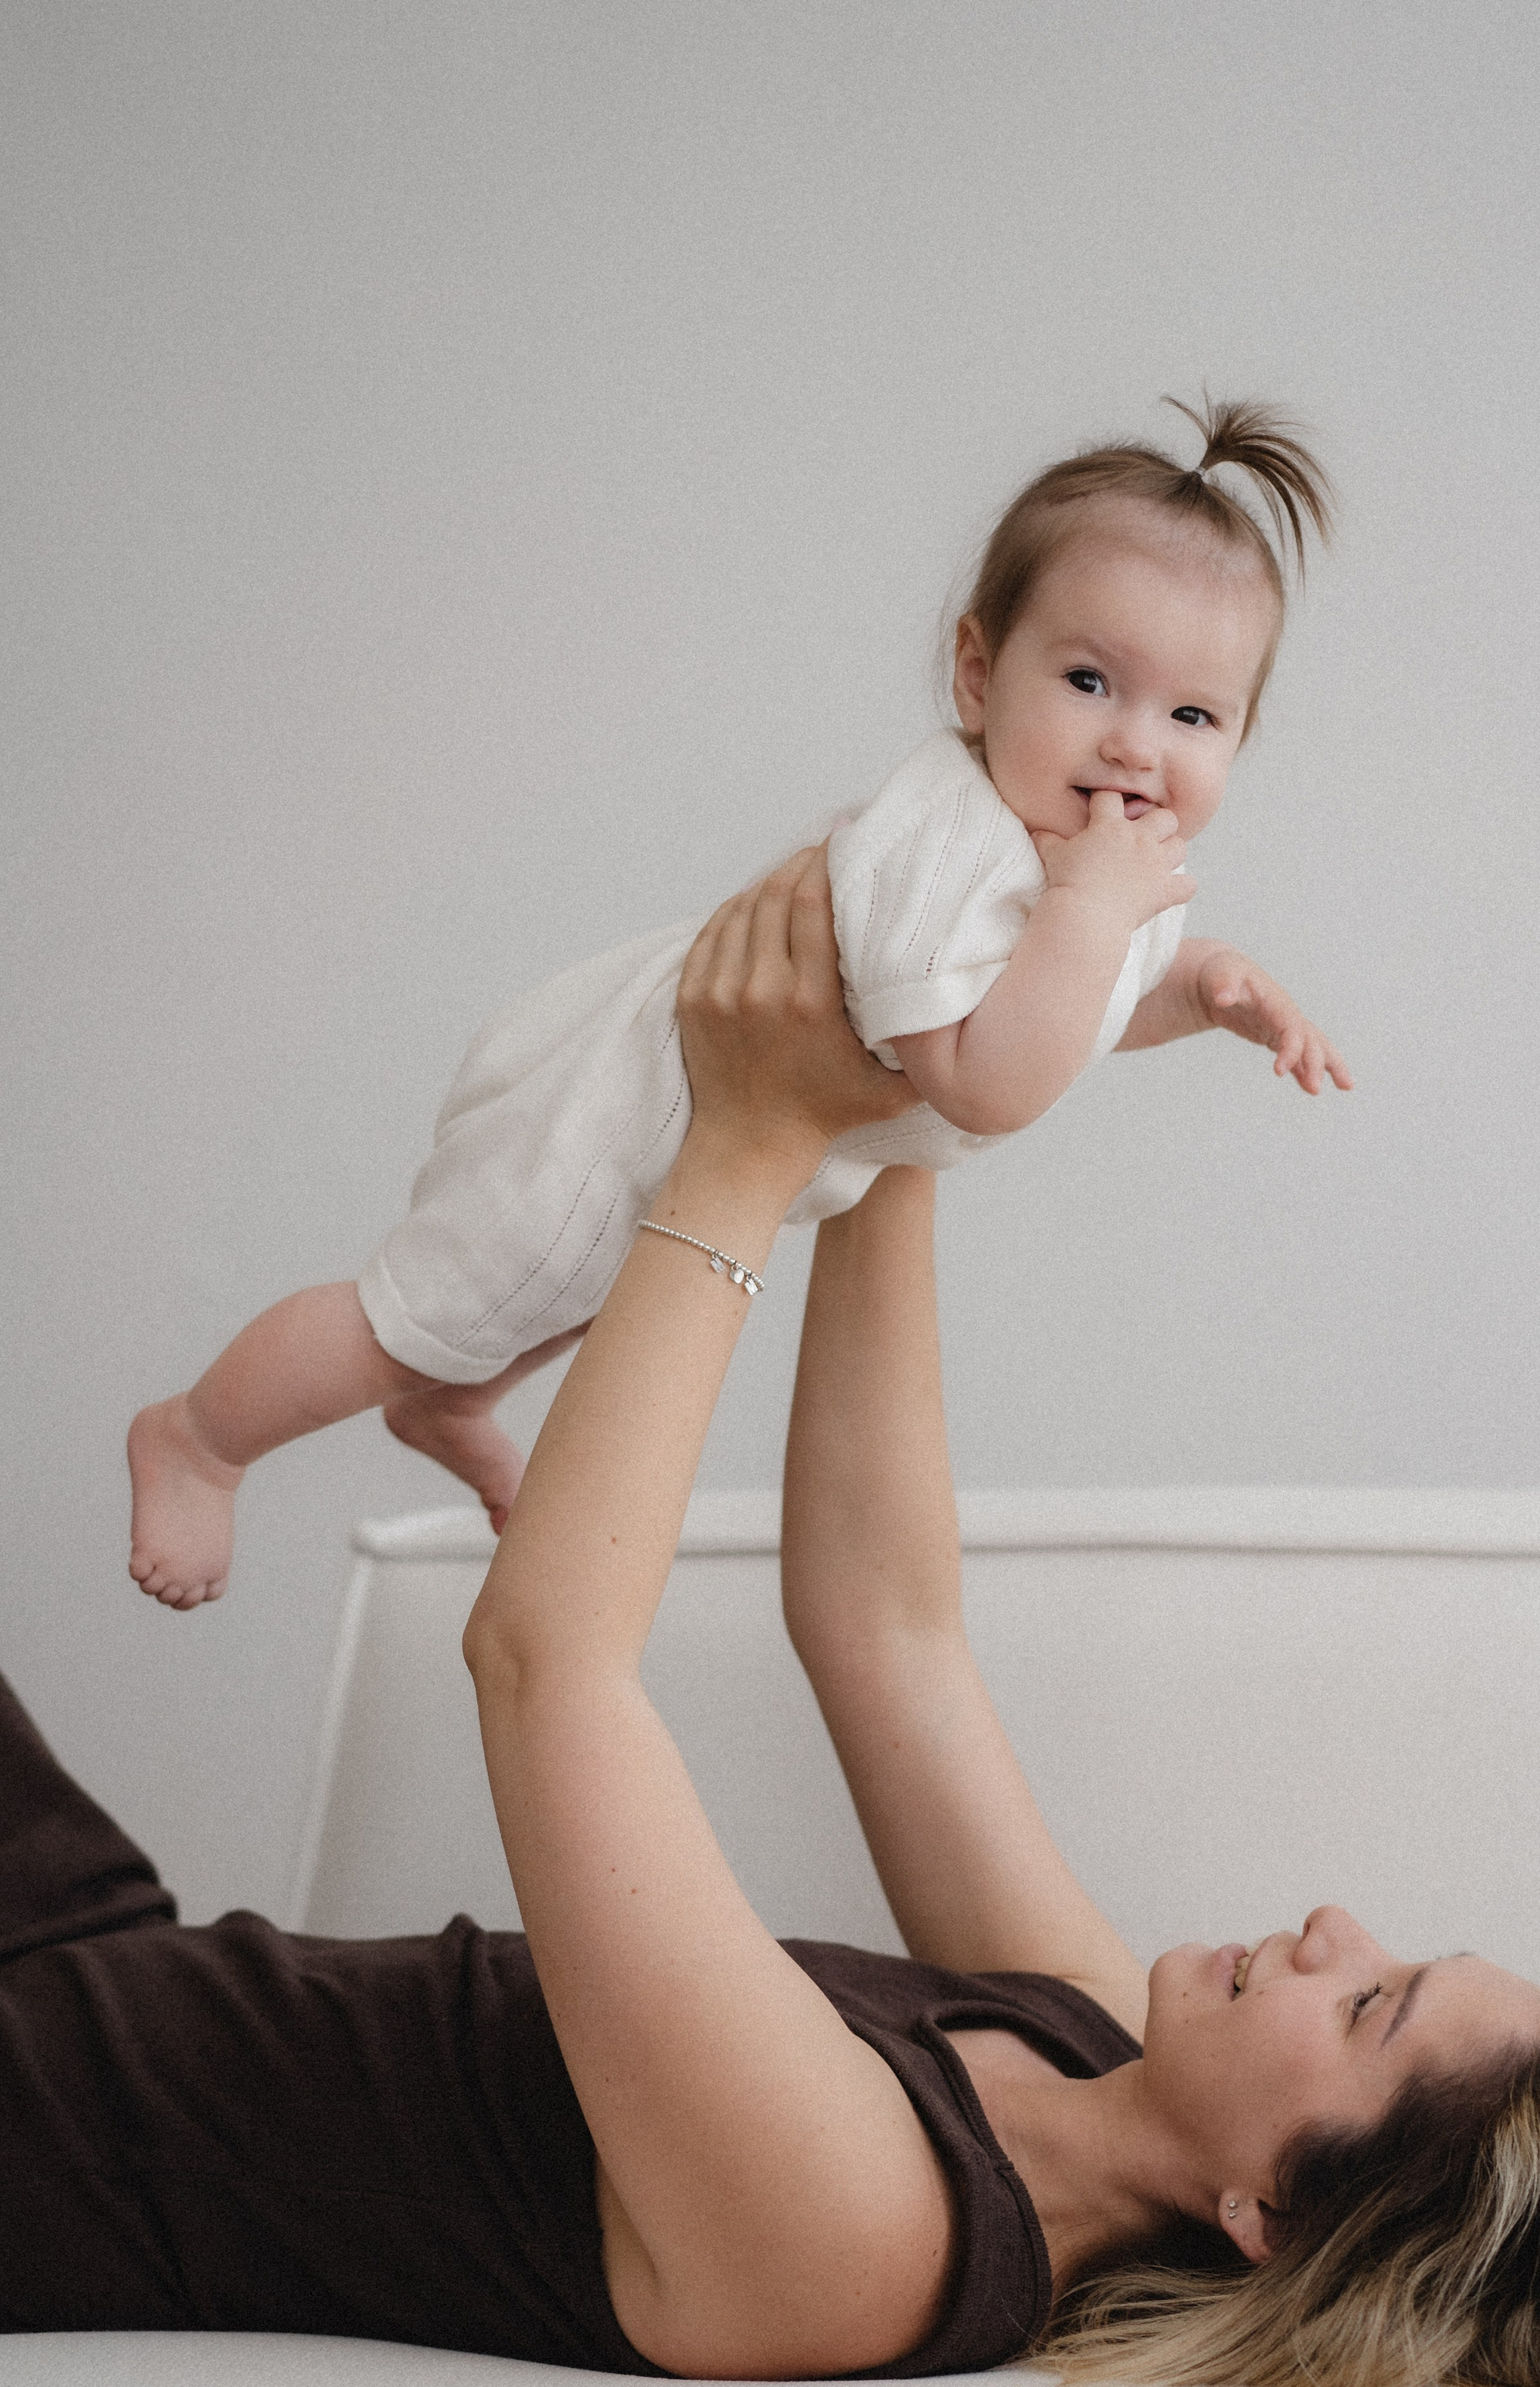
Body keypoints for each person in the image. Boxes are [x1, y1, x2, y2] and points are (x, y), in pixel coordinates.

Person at [15, 856, 1540, 2387]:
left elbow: (546, 1665)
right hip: (98, 1955)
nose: (1340, 1928)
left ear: (1271, 2213)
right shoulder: (1079, 2040)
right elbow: (884, 1630)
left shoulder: (864, 2237)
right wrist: (915, 1092)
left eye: (1368, 2008)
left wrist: (747, 1144)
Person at [126, 396, 1351, 1611]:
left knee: (573, 1295)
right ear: (980, 678)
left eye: (1193, 715)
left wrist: (1201, 987)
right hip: (613, 1118)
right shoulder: (957, 846)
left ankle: (447, 1407)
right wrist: (1094, 918)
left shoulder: (1101, 862)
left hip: (708, 1148)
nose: (1139, 747)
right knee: (416, 1311)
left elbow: (1079, 1013)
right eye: (1090, 680)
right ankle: (200, 1437)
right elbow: (987, 1078)